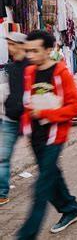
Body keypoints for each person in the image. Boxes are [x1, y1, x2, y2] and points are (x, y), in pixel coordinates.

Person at [17, 30, 77, 238]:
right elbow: (28, 101)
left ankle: (26, 235)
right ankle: (70, 208)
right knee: (52, 176)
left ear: (48, 50)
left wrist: (44, 113)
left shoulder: (61, 73)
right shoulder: (29, 72)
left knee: (41, 186)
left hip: (54, 137)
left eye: (35, 51)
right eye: (28, 51)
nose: (31, 55)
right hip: (35, 136)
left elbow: (75, 108)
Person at [0, 32, 28, 206]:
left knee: (43, 156)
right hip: (10, 118)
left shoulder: (32, 66)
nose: (9, 47)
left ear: (20, 45)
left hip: (29, 118)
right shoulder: (10, 67)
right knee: (3, 156)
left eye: (11, 44)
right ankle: (2, 193)